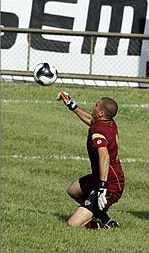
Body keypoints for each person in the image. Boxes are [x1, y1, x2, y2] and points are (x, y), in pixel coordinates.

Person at [57, 91, 125, 229]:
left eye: (96, 106)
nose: (93, 107)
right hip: (99, 177)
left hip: (111, 184)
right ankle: (104, 217)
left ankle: (102, 226)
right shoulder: (108, 122)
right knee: (73, 190)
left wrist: (102, 186)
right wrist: (71, 105)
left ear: (101, 113)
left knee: (73, 224)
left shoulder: (98, 131)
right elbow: (90, 120)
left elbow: (104, 156)